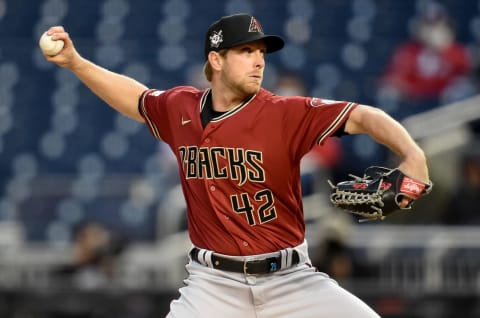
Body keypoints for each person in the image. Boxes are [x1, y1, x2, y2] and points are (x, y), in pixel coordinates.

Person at [43, 13, 430, 318]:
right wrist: (76, 63)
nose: (259, 61)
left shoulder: (284, 113)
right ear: (216, 59)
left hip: (291, 280)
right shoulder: (180, 108)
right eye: (246, 51)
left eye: (261, 52)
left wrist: (413, 156)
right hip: (212, 285)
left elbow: (363, 115)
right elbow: (137, 99)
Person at [379, 2, 471, 117]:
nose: (433, 31)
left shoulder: (457, 52)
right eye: (428, 26)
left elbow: (465, 77)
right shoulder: (408, 52)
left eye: (437, 26)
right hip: (416, 106)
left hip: (448, 107)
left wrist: (443, 50)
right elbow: (394, 81)